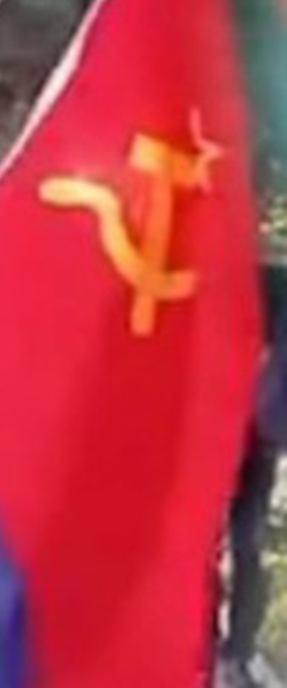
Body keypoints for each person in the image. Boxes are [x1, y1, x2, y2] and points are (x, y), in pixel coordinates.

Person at [218, 266, 286, 687]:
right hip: (216, 423)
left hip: (255, 434)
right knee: (219, 540)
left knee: (247, 539)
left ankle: (237, 652)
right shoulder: (264, 283)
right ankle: (223, 651)